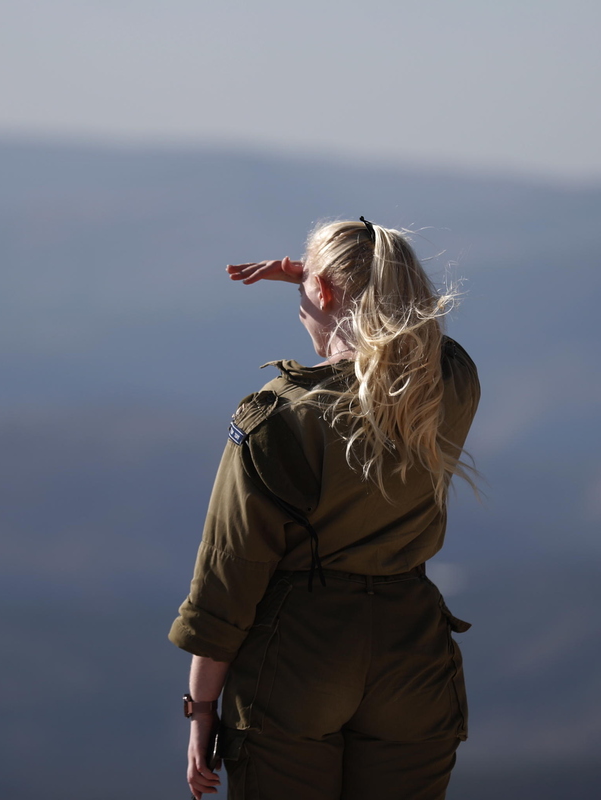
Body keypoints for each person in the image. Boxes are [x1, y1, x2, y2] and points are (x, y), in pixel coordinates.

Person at [169, 217, 480, 800]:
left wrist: (201, 707)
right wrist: (318, 280)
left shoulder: (278, 417)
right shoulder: (445, 388)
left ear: (324, 292)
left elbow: (228, 577)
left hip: (300, 653)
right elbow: (431, 342)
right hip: (412, 649)